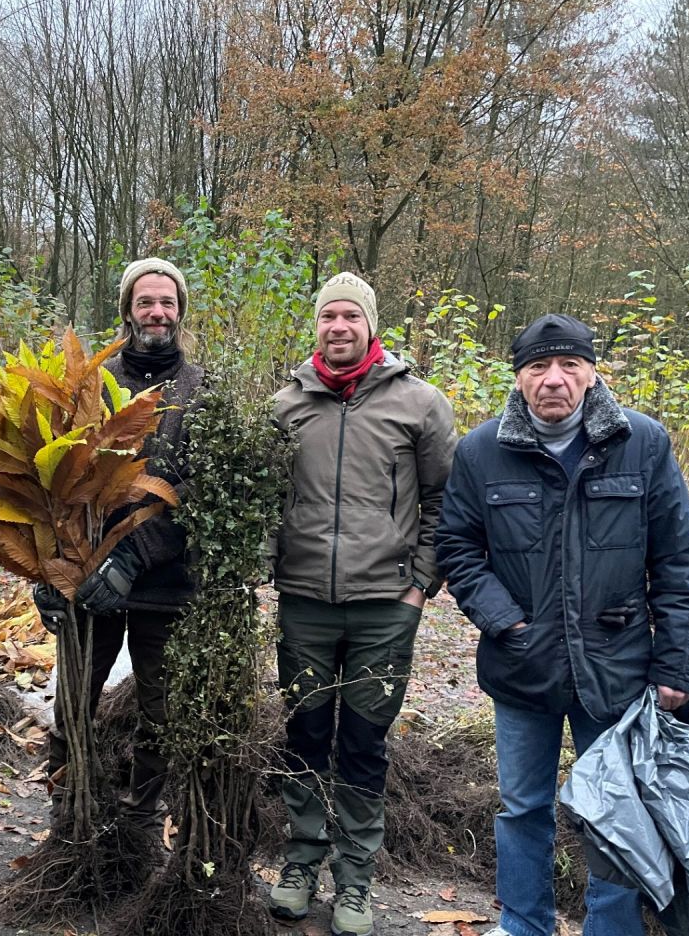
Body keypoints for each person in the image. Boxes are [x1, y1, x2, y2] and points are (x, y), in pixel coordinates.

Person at [435, 314, 689, 936]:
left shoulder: (642, 443)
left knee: (616, 811)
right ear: (519, 377)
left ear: (592, 373)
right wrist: (503, 619)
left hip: (617, 665)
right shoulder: (482, 451)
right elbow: (455, 546)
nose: (553, 380)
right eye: (538, 367)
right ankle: (524, 924)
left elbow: (677, 557)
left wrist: (680, 662)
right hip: (522, 662)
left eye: (568, 365)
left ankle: (612, 930)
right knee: (522, 806)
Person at [267, 272, 457, 936]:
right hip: (305, 603)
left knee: (365, 742)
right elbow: (266, 499)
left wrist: (417, 587)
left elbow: (444, 503)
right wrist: (268, 569)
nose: (339, 326)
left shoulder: (420, 404)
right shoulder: (287, 405)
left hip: (384, 605)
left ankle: (355, 881)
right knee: (305, 734)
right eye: (329, 316)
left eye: (351, 316)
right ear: (316, 325)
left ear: (371, 325)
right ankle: (300, 863)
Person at [32, 257, 202, 829]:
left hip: (167, 580)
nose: (157, 312)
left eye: (167, 302)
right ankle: (69, 810)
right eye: (145, 301)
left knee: (161, 708)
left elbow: (200, 490)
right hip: (86, 573)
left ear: (180, 312)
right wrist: (47, 574)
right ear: (127, 310)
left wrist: (136, 553)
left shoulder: (203, 390)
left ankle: (138, 820)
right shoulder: (86, 383)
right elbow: (49, 478)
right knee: (74, 698)